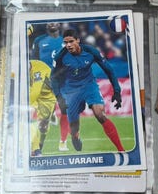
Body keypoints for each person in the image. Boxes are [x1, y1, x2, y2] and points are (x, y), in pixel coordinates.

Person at [51, 30, 124, 153]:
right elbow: (53, 77)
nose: (68, 45)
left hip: (89, 86)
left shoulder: (91, 51)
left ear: (78, 40)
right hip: (71, 90)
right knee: (73, 128)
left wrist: (117, 91)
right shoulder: (60, 57)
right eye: (66, 42)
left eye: (71, 41)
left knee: (100, 114)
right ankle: (75, 136)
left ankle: (121, 150)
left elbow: (109, 69)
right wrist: (59, 97)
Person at [31, 22, 70, 151]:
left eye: (54, 22)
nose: (52, 24)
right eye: (49, 22)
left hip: (62, 81)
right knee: (43, 122)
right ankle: (38, 149)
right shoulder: (39, 41)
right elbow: (34, 61)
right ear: (46, 25)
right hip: (45, 83)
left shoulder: (66, 41)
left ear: (59, 24)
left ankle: (63, 142)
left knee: (66, 110)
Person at [29, 59, 57, 157]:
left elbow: (36, 91)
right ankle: (36, 149)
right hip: (32, 96)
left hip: (47, 97)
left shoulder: (39, 68)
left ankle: (39, 145)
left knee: (43, 127)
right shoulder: (18, 71)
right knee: (29, 117)